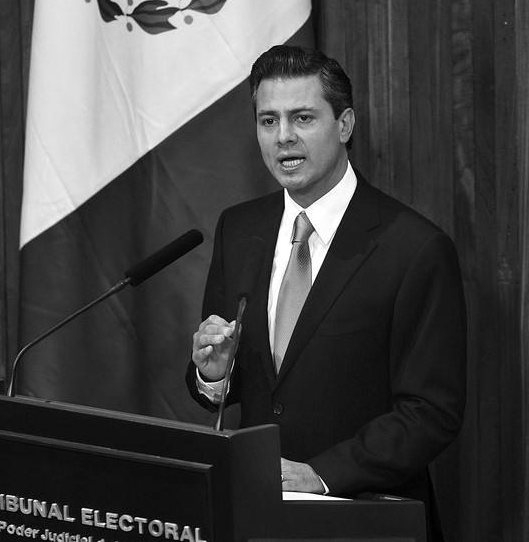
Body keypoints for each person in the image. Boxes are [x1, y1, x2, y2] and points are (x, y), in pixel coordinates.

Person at [187, 45, 466, 541]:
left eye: (303, 117)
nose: (284, 137)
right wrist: (213, 375)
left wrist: (318, 475)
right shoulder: (239, 228)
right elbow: (236, 381)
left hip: (365, 518)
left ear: (344, 125)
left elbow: (431, 413)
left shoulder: (415, 248)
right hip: (257, 518)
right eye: (268, 121)